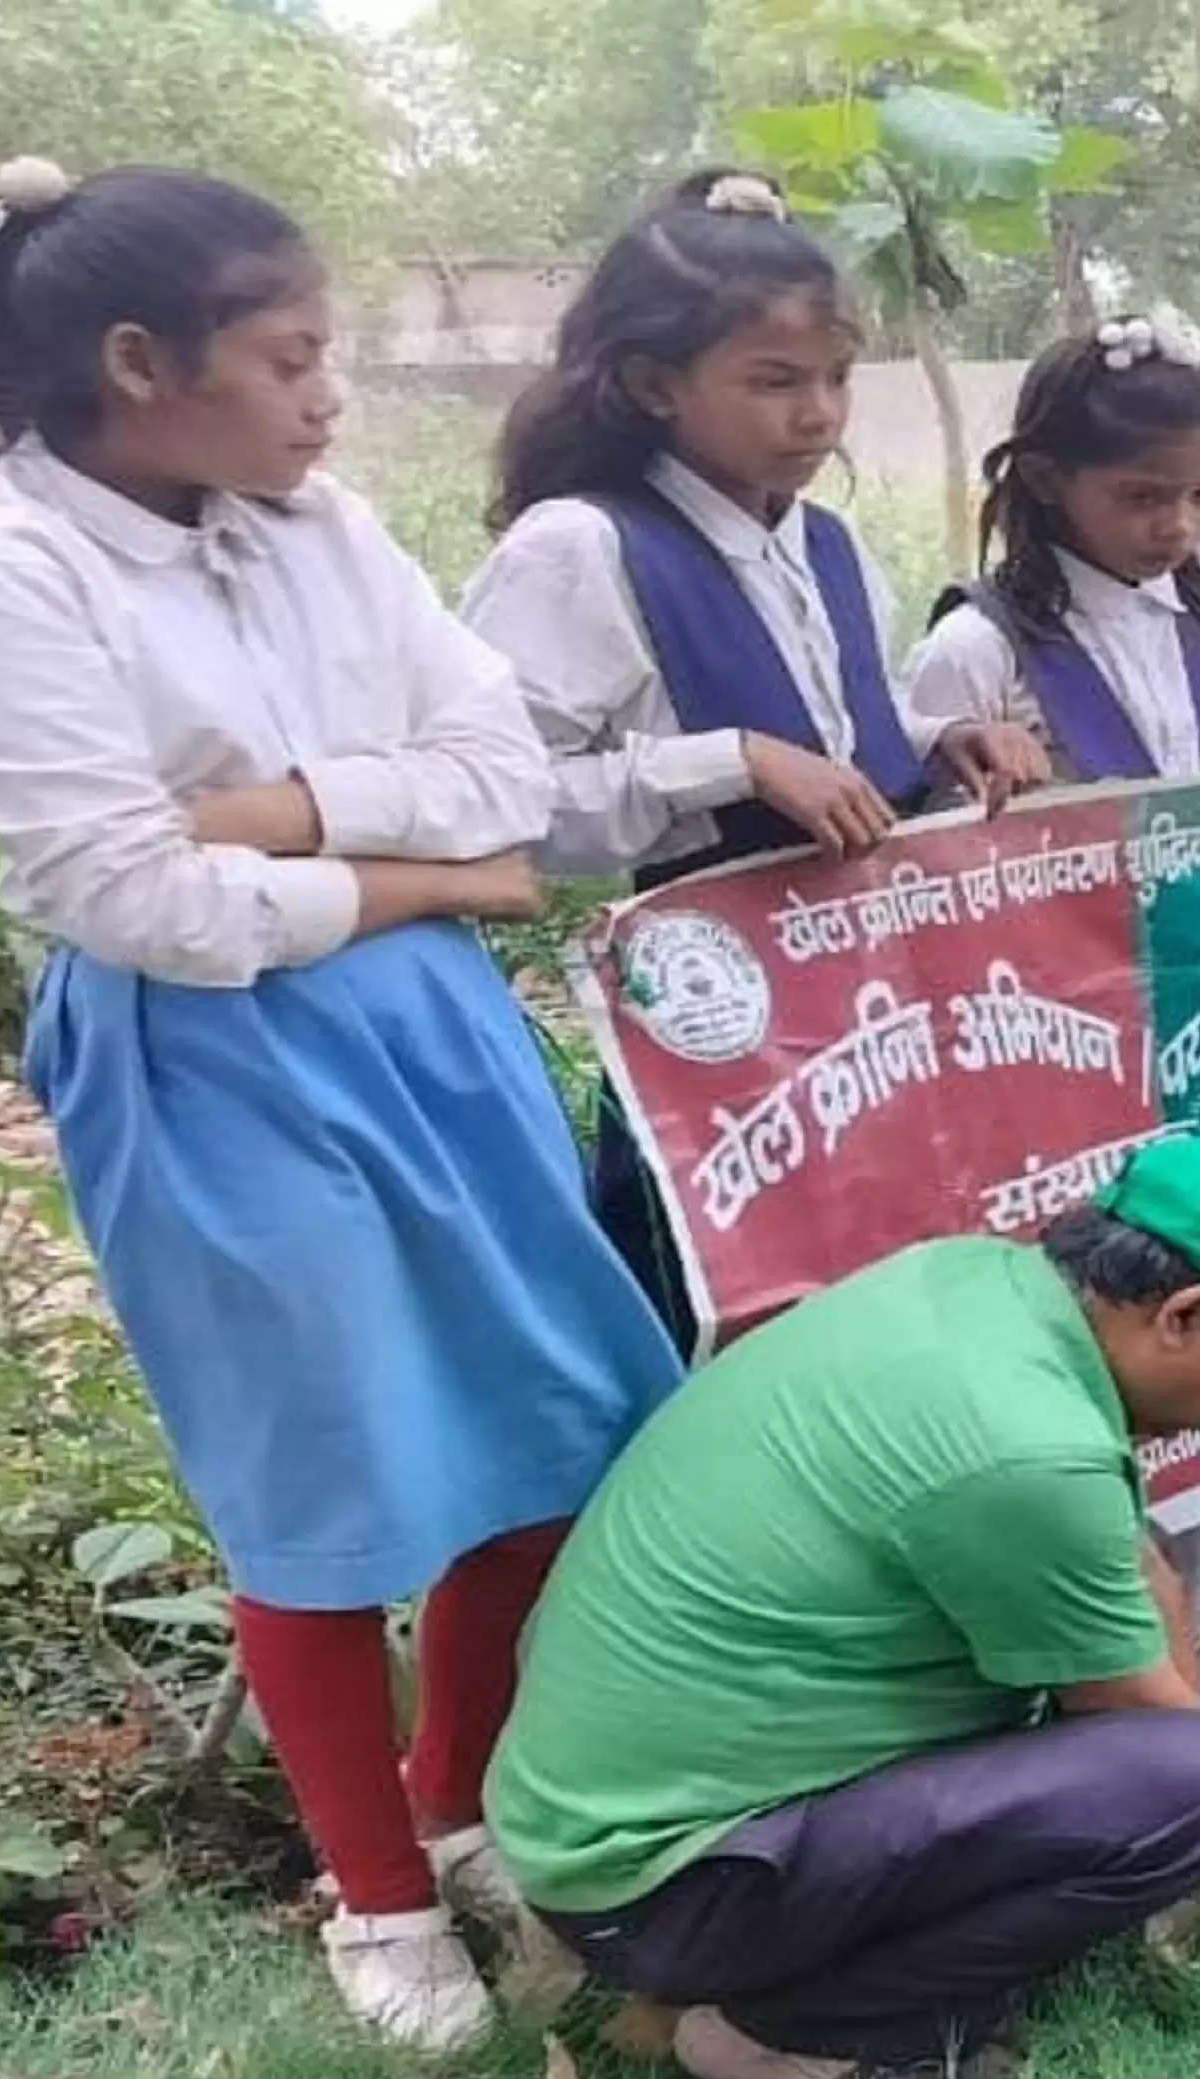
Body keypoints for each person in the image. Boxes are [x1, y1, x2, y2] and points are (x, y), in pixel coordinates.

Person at [0, 159, 681, 2051]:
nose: (333, 398)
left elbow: (497, 766)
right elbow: (136, 904)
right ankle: (378, 1899)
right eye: (294, 355)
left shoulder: (317, 527)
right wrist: (420, 866)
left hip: (426, 1039)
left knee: (552, 1434)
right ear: (142, 362)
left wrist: (280, 812)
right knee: (313, 1487)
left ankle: (463, 1803)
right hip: (210, 1064)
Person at [484, 1136, 1200, 2079]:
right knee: (1198, 1788)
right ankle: (786, 2036)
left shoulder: (977, 1288)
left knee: (1174, 1769)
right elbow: (1152, 1730)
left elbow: (1126, 1572)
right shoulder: (1023, 1445)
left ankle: (760, 1965)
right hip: (659, 1888)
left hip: (595, 1826)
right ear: (1186, 1316)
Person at [460, 167, 1041, 1346]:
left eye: (833, 378)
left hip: (862, 1023)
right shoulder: (582, 550)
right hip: (709, 1044)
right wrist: (721, 762)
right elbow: (497, 802)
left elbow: (841, 733)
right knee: (715, 1320)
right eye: (773, 382)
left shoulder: (821, 545)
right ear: (650, 385)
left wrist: (939, 744)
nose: (818, 414)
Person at [899, 308, 1200, 1744]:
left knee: (1195, 1348)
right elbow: (928, 870)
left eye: (1199, 495)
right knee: (1091, 1359)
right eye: (1141, 497)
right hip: (1047, 1064)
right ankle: (1092, 1647)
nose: (1174, 525)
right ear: (1048, 482)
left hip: (1197, 1044)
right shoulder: (974, 650)